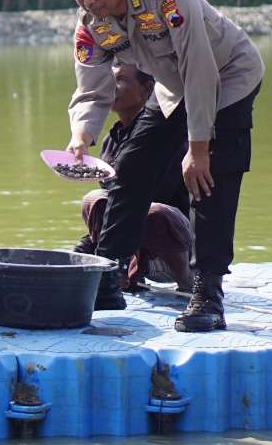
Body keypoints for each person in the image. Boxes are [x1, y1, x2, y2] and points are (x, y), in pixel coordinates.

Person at [59, 0, 264, 332]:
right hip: (172, 84)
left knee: (209, 177)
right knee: (131, 166)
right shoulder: (91, 25)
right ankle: (108, 276)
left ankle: (207, 292)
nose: (88, 0)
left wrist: (198, 147)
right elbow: (91, 89)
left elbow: (201, 70)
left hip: (228, 77)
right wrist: (81, 137)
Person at [72, 63, 194, 298]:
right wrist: (79, 253)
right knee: (95, 200)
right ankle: (118, 272)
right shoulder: (112, 140)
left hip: (175, 246)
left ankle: (186, 279)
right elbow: (113, 207)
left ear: (147, 90)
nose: (110, 87)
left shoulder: (166, 137)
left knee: (153, 212)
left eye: (120, 80)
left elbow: (149, 195)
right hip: (132, 247)